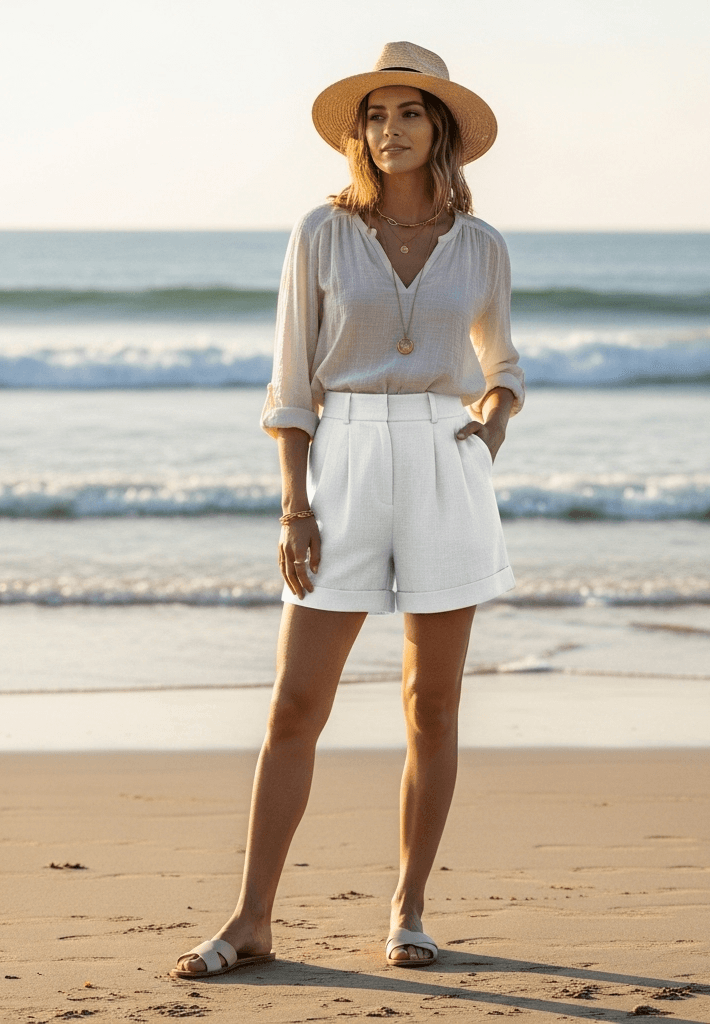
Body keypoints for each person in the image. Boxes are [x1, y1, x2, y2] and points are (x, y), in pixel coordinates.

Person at [171, 40, 524, 979]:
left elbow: (504, 369)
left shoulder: (482, 247)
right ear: (357, 134)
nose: (391, 129)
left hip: (447, 465)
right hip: (346, 459)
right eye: (377, 115)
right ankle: (252, 919)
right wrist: (296, 502)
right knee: (295, 704)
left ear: (440, 129)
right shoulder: (320, 234)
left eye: (411, 113)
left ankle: (410, 911)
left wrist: (485, 430)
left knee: (432, 705)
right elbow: (291, 382)